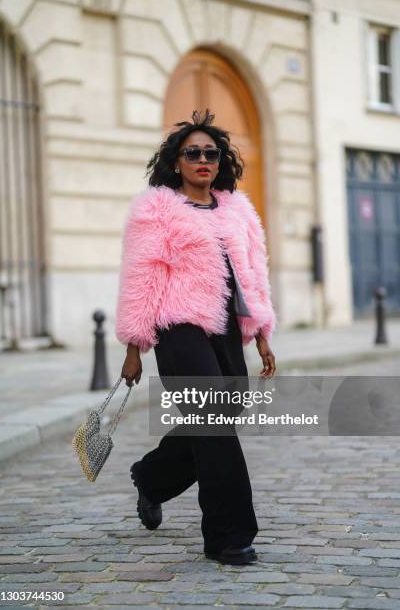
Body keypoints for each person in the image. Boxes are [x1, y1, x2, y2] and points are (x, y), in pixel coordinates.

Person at [115, 109, 277, 565]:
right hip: (177, 327)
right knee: (214, 420)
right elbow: (142, 277)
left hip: (226, 328)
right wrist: (134, 347)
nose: (203, 159)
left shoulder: (238, 210)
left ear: (221, 160)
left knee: (219, 417)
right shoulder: (156, 211)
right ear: (176, 161)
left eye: (212, 152)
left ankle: (152, 477)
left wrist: (262, 332)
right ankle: (229, 535)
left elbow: (251, 275)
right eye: (193, 153)